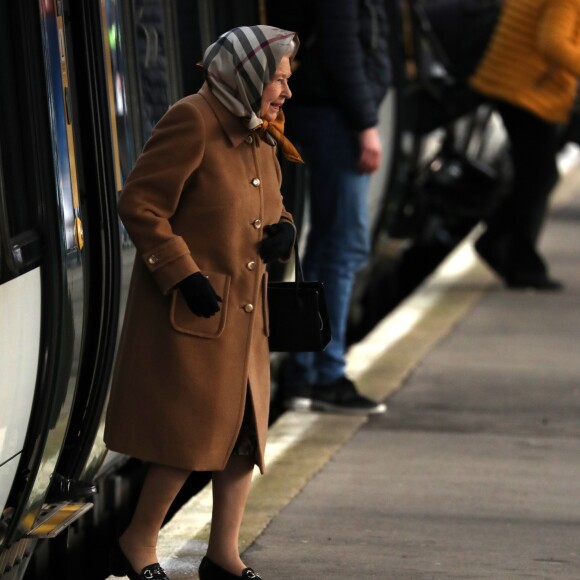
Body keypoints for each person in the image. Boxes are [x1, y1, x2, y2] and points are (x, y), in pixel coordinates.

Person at [104, 25, 301, 580]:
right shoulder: (193, 119)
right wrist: (182, 273)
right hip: (196, 312)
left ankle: (223, 555)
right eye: (279, 80)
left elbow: (271, 205)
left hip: (245, 314)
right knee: (186, 440)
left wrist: (285, 229)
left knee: (242, 438)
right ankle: (138, 543)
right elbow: (140, 204)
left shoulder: (260, 131)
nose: (285, 93)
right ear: (250, 76)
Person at [267, 0, 390, 414]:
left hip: (331, 113)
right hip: (336, 118)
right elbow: (342, 51)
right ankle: (324, 373)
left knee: (328, 244)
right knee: (344, 246)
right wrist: (365, 124)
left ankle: (307, 370)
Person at [469, 0, 580, 290]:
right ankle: (516, 258)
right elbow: (552, 42)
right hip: (525, 90)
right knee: (538, 177)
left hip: (515, 83)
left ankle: (503, 246)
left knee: (538, 176)